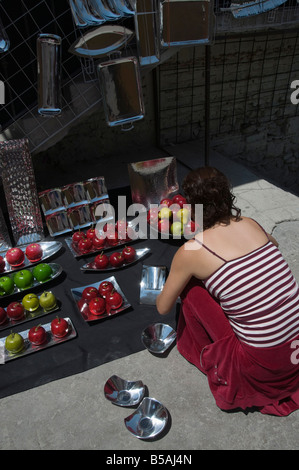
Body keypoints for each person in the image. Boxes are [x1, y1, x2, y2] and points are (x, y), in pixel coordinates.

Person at [156, 166, 299, 416]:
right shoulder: (252, 223)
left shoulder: (192, 250)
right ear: (227, 196)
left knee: (189, 289)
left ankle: (208, 359)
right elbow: (272, 244)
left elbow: (162, 307)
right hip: (294, 351)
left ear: (190, 208)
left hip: (263, 364)